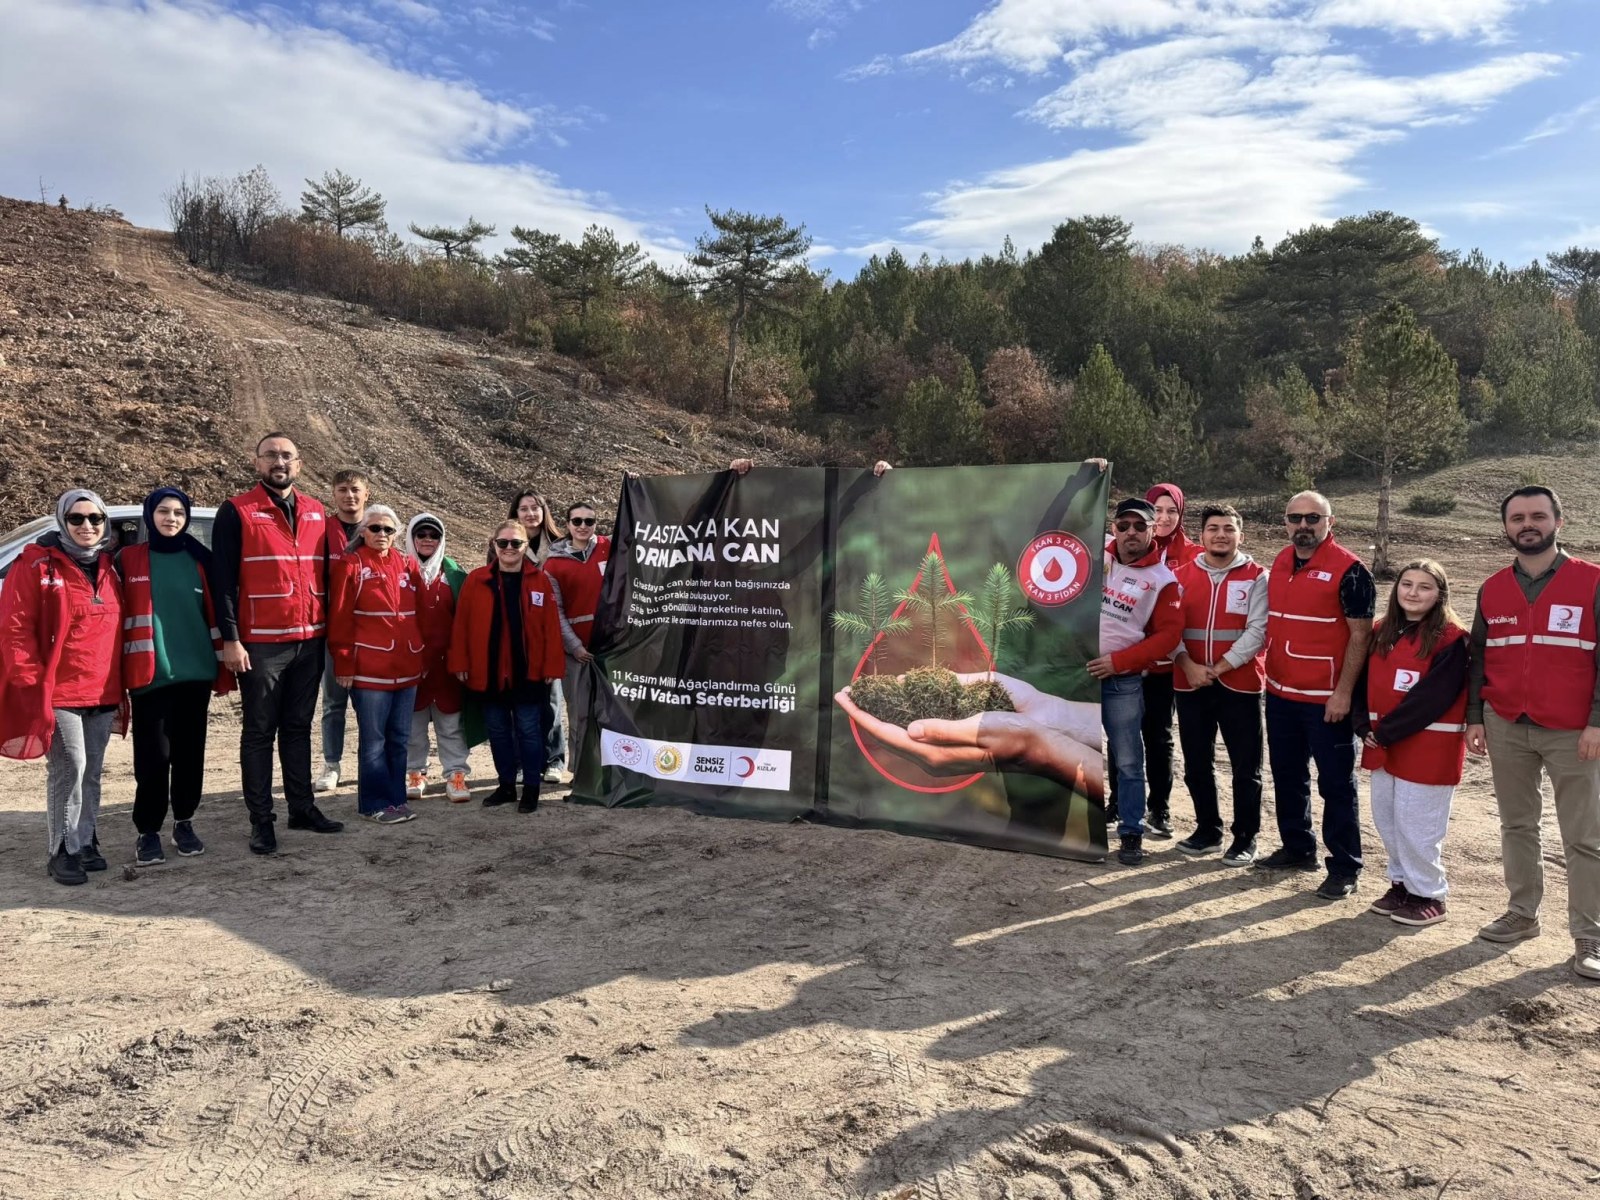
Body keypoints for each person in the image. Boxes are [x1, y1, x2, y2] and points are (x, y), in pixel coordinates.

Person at [1466, 486, 1600, 978]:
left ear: (1558, 522)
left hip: (1573, 731)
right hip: (1506, 723)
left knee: (1584, 836)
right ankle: (1523, 914)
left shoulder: (1593, 581)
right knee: (1517, 826)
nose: (1528, 524)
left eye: (1537, 516)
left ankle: (1590, 934)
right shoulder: (1493, 587)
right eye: (1517, 517)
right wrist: (1476, 718)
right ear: (1505, 527)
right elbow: (1479, 658)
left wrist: (1598, 723)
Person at [211, 432, 344, 854]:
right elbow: (224, 583)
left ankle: (301, 809)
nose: (279, 462)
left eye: (287, 456)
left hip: (309, 640)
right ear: (257, 463)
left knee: (298, 728)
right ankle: (261, 821)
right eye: (270, 455)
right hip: (262, 643)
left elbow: (325, 575)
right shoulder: (236, 511)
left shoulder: (316, 512)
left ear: (299, 465)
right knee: (258, 732)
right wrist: (231, 640)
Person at [0, 490, 124, 885]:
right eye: (76, 519)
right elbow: (15, 626)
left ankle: (86, 841)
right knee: (69, 768)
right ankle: (62, 849)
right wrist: (29, 678)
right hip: (59, 690)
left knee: (92, 772)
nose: (87, 526)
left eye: (95, 519)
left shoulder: (109, 564)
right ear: (62, 521)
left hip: (103, 687)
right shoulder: (34, 564)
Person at [1255, 491, 1374, 901]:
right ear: (1285, 522)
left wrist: (1344, 694)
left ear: (1329, 522)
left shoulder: (1352, 571)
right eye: (1295, 518)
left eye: (1312, 518)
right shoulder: (1280, 562)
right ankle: (1297, 847)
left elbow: (1361, 637)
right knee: (1288, 775)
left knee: (1336, 785)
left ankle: (1344, 865)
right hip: (1281, 693)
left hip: (1327, 700)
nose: (1303, 525)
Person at [118, 487, 234, 866]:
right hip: (149, 675)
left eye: (179, 513)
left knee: (189, 755)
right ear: (149, 515)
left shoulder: (199, 559)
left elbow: (218, 611)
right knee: (154, 757)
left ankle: (184, 822)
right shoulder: (127, 560)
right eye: (164, 512)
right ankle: (147, 830)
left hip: (195, 673)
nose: (171, 519)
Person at [1353, 560, 1468, 928]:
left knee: (1418, 824)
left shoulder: (1452, 638)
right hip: (1384, 742)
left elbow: (1432, 697)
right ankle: (1401, 884)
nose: (1413, 593)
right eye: (1407, 584)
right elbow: (1360, 682)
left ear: (1440, 595)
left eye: (1424, 587)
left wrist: (1385, 731)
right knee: (1388, 820)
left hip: (1427, 746)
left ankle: (1430, 894)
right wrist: (1362, 726)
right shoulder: (1382, 630)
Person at [1087, 497, 1182, 866]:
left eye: (1139, 526)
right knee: (1072, 750)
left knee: (1128, 760)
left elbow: (1167, 637)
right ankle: (1072, 823)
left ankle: (1131, 831)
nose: (1130, 532)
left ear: (1152, 530)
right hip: (1075, 676)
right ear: (1113, 529)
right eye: (1123, 525)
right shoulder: (1095, 560)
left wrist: (1118, 662)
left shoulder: (1163, 580)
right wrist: (1085, 478)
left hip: (1121, 681)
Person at [1170, 503, 1267, 865]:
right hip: (1189, 682)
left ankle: (1245, 837)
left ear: (1240, 535)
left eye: (1229, 528)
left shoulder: (1257, 576)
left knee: (1246, 767)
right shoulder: (1178, 577)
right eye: (1213, 528)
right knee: (1197, 763)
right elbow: (1168, 629)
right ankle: (1207, 830)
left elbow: (1257, 631)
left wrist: (1220, 667)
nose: (1221, 534)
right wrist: (1188, 665)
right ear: (1202, 535)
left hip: (1239, 685)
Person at [450, 521, 566, 813]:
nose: (510, 549)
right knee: (498, 732)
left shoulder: (540, 581)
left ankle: (531, 788)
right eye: (504, 543)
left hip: (528, 672)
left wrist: (552, 665)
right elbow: (461, 625)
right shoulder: (476, 580)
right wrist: (460, 662)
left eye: (516, 543)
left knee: (528, 731)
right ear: (494, 545)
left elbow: (552, 628)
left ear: (526, 547)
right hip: (488, 671)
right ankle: (505, 786)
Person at [1110, 482, 1200, 838]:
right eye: (1157, 510)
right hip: (1122, 660)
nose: (1163, 518)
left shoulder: (1190, 554)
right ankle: (1117, 802)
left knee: (1157, 737)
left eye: (1171, 512)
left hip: (1165, 664)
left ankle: (1159, 808)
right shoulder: (1119, 547)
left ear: (1180, 514)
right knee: (1119, 737)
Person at [329, 504, 424, 824]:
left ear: (397, 534)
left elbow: (419, 614)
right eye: (374, 528)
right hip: (369, 667)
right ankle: (372, 803)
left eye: (388, 529)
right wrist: (343, 662)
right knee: (374, 739)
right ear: (362, 532)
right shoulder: (350, 564)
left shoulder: (406, 563)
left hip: (406, 666)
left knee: (399, 737)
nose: (381, 534)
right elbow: (340, 617)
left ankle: (396, 800)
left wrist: (420, 654)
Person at [404, 512, 470, 803]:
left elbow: (466, 622)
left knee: (451, 726)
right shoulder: (400, 570)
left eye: (434, 535)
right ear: (411, 538)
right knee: (413, 727)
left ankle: (456, 775)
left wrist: (461, 661)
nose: (428, 540)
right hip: (411, 664)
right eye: (422, 535)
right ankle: (415, 774)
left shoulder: (454, 574)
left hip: (446, 667)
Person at [544, 500, 611, 767]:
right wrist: (574, 646)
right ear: (568, 525)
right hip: (577, 651)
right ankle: (581, 770)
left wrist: (636, 488)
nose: (583, 526)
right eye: (577, 521)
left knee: (611, 711)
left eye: (589, 521)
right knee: (580, 713)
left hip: (611, 646)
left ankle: (614, 768)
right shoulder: (553, 564)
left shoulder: (611, 547)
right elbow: (555, 611)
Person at [316, 468, 371, 793]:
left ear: (367, 494)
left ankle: (370, 761)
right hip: (334, 632)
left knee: (369, 703)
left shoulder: (377, 527)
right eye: (343, 490)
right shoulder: (322, 530)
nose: (349, 496)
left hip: (371, 632)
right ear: (333, 494)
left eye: (355, 490)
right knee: (334, 702)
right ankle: (331, 763)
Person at [506, 489, 566, 783]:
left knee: (552, 699)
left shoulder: (560, 544)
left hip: (557, 627)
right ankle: (526, 761)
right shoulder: (506, 543)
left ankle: (556, 759)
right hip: (520, 631)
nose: (530, 514)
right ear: (515, 514)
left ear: (544, 512)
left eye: (535, 508)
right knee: (521, 703)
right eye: (524, 509)